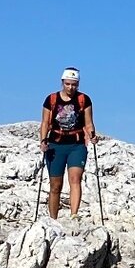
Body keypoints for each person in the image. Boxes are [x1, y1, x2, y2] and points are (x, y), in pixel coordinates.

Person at [39, 67, 98, 220]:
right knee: (55, 185)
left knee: (75, 179)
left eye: (74, 84)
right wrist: (43, 140)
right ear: (62, 83)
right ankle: (53, 219)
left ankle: (74, 215)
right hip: (55, 145)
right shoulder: (51, 99)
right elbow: (45, 122)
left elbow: (89, 123)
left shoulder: (84, 100)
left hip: (76, 145)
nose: (71, 87)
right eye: (68, 84)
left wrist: (92, 136)